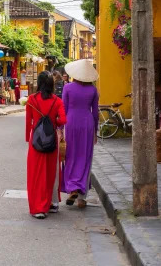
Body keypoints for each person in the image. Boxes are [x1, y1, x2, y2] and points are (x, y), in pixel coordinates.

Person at [25, 71, 67, 219]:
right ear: (52, 84)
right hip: (51, 140)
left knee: (36, 174)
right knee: (50, 173)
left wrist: (27, 138)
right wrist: (54, 121)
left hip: (35, 140)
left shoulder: (31, 99)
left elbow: (28, 122)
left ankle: (38, 208)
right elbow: (63, 120)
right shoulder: (57, 101)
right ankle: (50, 203)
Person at [61, 59, 99, 209]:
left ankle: (72, 187)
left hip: (71, 123)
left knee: (70, 155)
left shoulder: (68, 88)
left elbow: (63, 110)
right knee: (85, 157)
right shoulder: (93, 90)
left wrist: (60, 129)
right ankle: (82, 198)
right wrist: (95, 131)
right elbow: (95, 113)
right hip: (87, 124)